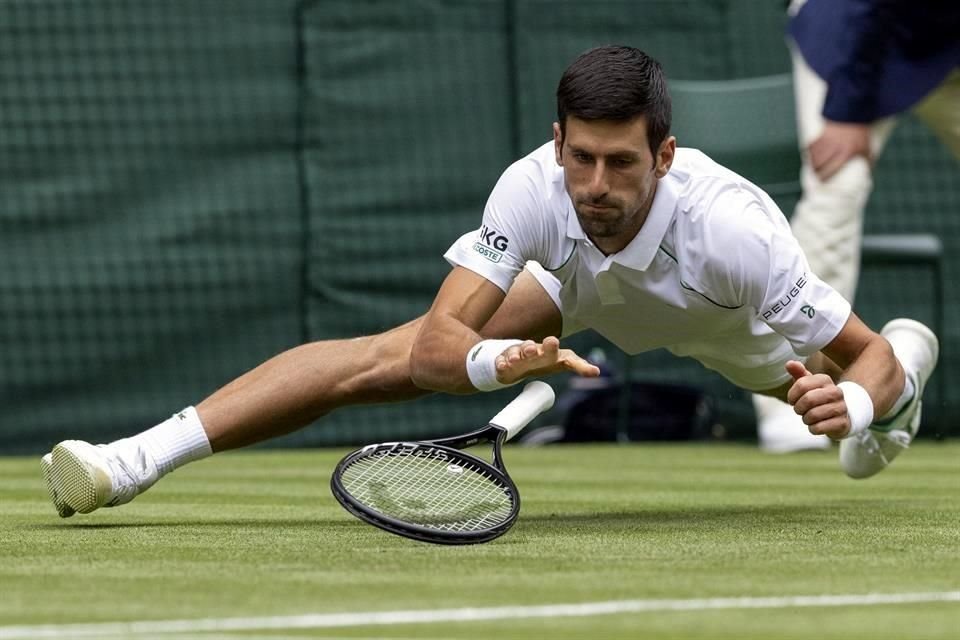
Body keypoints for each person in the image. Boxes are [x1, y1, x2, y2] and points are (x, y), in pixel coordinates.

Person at [42, 45, 939, 519]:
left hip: (740, 333)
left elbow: (858, 357)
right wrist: (494, 362)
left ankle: (900, 398)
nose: (596, 186)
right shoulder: (537, 191)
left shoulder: (737, 230)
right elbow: (438, 345)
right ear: (557, 144)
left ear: (665, 156)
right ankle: (131, 463)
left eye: (621, 163)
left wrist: (856, 405)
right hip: (581, 288)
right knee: (381, 360)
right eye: (579, 158)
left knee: (869, 417)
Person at [753, 0, 960, 453]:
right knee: (838, 186)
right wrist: (846, 111)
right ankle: (792, 397)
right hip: (854, 28)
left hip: (946, 44)